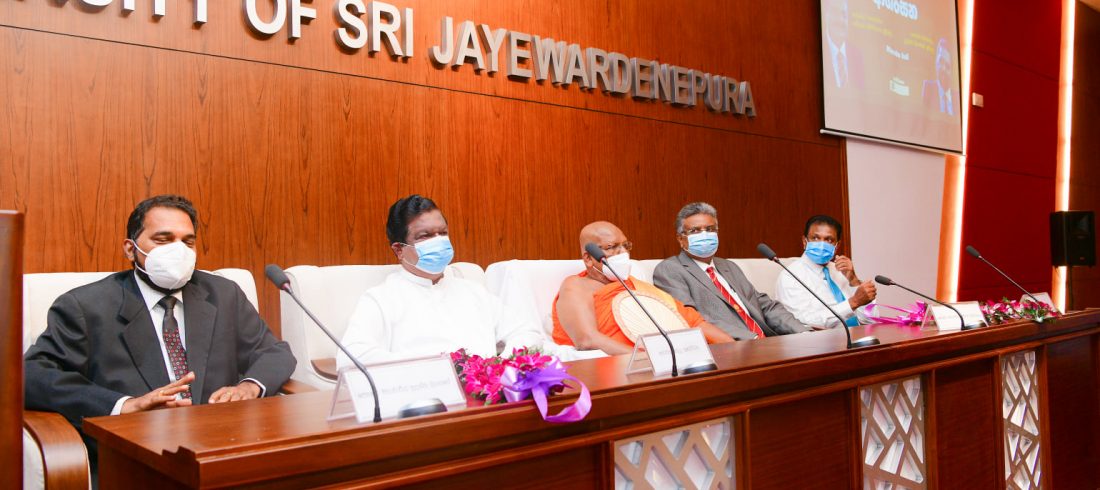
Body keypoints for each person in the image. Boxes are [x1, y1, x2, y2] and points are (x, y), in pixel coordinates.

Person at [24, 194, 295, 467]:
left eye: (187, 241)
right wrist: (124, 405)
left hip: (220, 451)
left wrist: (249, 387)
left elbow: (275, 352)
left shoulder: (223, 295)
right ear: (130, 249)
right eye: (163, 240)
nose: (178, 250)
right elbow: (31, 376)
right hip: (134, 459)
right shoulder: (86, 306)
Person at [337, 195, 543, 367]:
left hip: (485, 395)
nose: (438, 241)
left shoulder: (473, 291)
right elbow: (351, 359)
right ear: (399, 250)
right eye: (425, 236)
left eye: (443, 233)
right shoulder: (381, 299)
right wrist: (429, 369)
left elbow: (527, 332)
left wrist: (501, 366)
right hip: (421, 397)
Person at [551, 221, 735, 356]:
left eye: (625, 246)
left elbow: (693, 322)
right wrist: (650, 359)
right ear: (588, 258)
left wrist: (733, 349)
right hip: (626, 368)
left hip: (674, 363)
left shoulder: (639, 287)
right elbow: (586, 339)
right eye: (611, 247)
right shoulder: (576, 285)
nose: (623, 253)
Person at [653, 202, 808, 340]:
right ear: (681, 239)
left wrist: (803, 332)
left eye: (710, 229)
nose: (704, 235)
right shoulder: (670, 270)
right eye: (695, 231)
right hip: (732, 348)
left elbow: (765, 306)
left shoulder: (729, 266)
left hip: (769, 342)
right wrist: (752, 339)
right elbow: (691, 318)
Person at [775, 214, 877, 328]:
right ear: (804, 241)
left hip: (860, 335)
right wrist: (853, 302)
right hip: (824, 338)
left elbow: (870, 320)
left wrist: (854, 280)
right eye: (815, 238)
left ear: (837, 245)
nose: (822, 244)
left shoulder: (841, 271)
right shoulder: (790, 276)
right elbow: (804, 323)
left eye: (829, 240)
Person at [922, 39, 957, 115]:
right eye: (941, 61)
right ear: (936, 63)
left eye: (947, 66)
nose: (943, 69)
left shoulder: (957, 98)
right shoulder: (928, 88)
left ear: (952, 71)